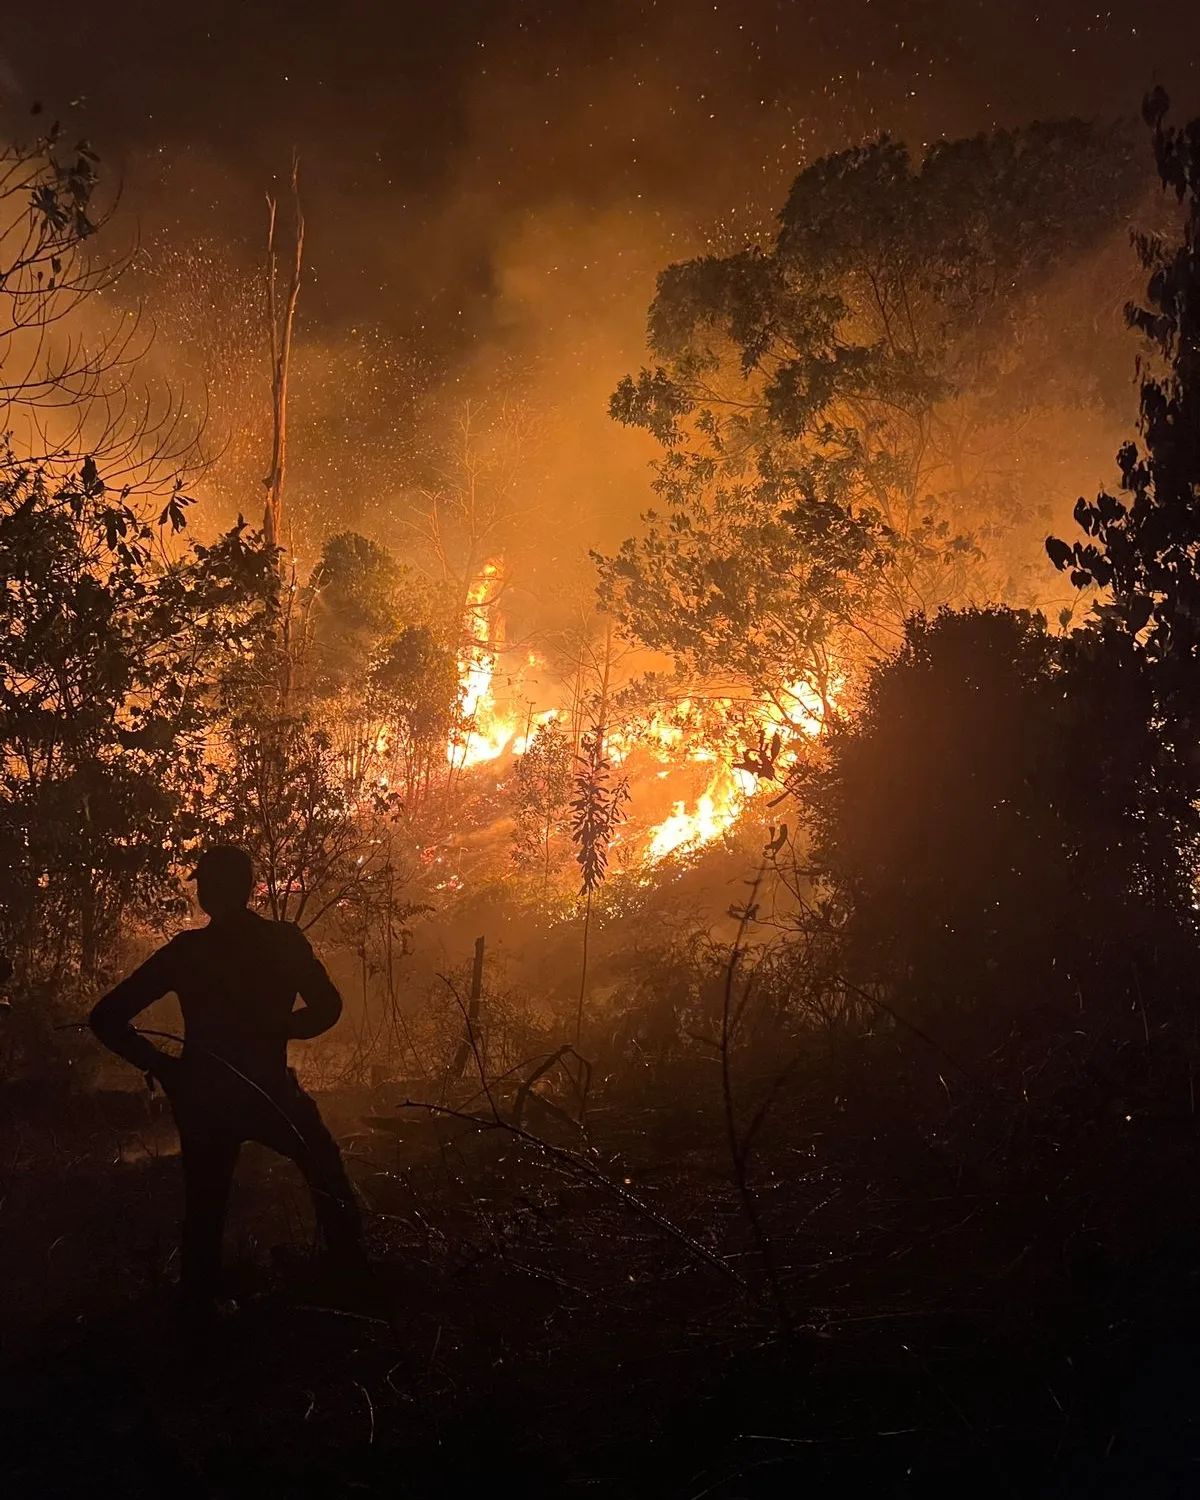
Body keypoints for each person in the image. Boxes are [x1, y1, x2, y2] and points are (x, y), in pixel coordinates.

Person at [89, 845, 366, 1317]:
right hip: (267, 1090)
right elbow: (328, 1007)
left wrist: (167, 1069)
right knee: (326, 1175)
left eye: (206, 883)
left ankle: (201, 1305)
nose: (203, 891)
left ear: (219, 890)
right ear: (248, 888)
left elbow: (107, 1017)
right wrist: (281, 1028)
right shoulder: (280, 941)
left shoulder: (188, 953)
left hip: (206, 1096)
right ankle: (349, 1281)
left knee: (206, 1203)